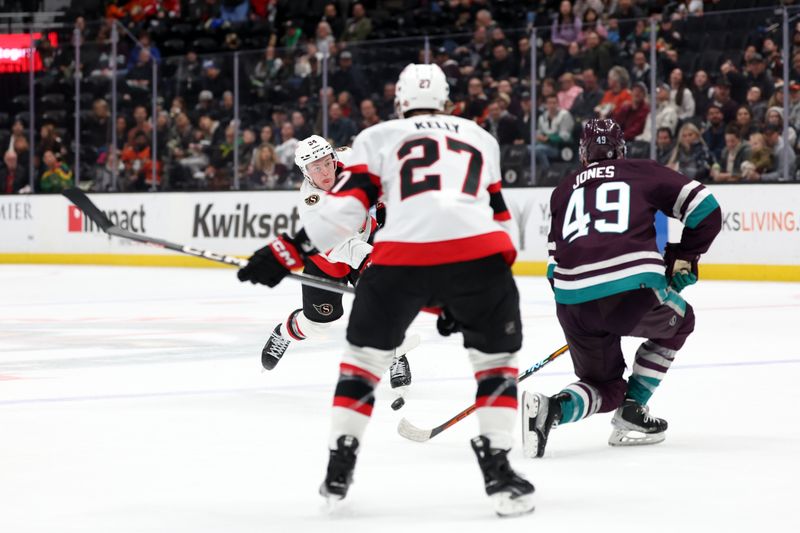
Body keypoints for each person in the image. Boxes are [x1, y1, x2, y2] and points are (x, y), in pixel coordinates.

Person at [235, 64, 534, 517]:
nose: (320, 168)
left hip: (394, 255)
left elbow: (344, 214)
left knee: (361, 355)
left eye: (323, 161)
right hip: (472, 258)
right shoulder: (481, 137)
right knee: (494, 362)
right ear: (448, 99)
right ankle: (499, 468)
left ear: (399, 102)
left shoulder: (376, 139)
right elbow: (502, 219)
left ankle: (340, 462)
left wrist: (282, 251)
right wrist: (476, 286)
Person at [522, 118, 721, 458]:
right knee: (681, 321)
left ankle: (550, 409)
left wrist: (585, 315)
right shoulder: (640, 171)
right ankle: (633, 409)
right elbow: (706, 208)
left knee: (604, 386)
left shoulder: (563, 190)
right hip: (632, 291)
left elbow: (554, 270)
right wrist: (683, 257)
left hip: (573, 302)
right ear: (621, 150)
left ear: (583, 154)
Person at [258, 135, 414, 396]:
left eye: (326, 163)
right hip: (329, 258)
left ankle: (396, 355)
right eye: (315, 168)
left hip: (366, 238)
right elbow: (335, 244)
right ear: (305, 172)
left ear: (333, 158)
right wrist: (368, 257)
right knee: (318, 322)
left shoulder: (353, 161)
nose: (323, 172)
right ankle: (283, 333)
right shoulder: (312, 202)